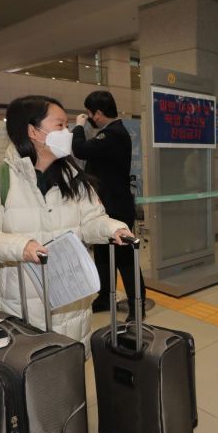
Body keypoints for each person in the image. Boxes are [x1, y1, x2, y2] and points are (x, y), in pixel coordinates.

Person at [0, 95, 135, 354]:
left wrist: (111, 228)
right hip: (22, 307)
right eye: (60, 125)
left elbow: (91, 220)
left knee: (69, 373)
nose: (68, 133)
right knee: (29, 375)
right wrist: (20, 245)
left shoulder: (75, 179)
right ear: (33, 131)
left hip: (70, 303)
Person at [72, 90, 145, 321]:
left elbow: (80, 149)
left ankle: (137, 305)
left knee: (124, 259)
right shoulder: (109, 133)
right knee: (102, 255)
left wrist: (78, 127)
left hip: (117, 208)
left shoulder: (114, 134)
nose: (88, 117)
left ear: (99, 113)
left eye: (89, 113)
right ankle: (105, 296)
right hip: (102, 206)